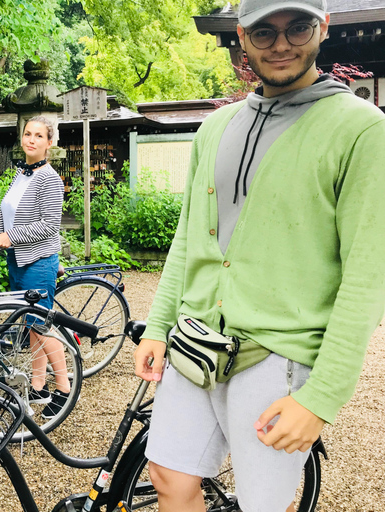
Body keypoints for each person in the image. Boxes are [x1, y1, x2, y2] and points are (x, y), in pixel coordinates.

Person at [133, 0, 385, 510]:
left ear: (323, 27)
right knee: (167, 475)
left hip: (280, 355)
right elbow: (188, 238)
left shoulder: (361, 128)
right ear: (242, 38)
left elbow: (367, 272)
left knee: (264, 503)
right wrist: (158, 326)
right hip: (195, 340)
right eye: (263, 32)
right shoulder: (215, 127)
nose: (282, 44)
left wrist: (322, 397)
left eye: (297, 27)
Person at [0, 115, 69, 419]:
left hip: (38, 261)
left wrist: (11, 236)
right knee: (31, 326)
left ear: (49, 143)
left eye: (39, 136)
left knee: (42, 327)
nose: (32, 140)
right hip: (19, 260)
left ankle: (64, 389)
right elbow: (11, 215)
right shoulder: (22, 174)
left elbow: (49, 226)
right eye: (28, 134)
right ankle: (38, 385)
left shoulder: (49, 178)